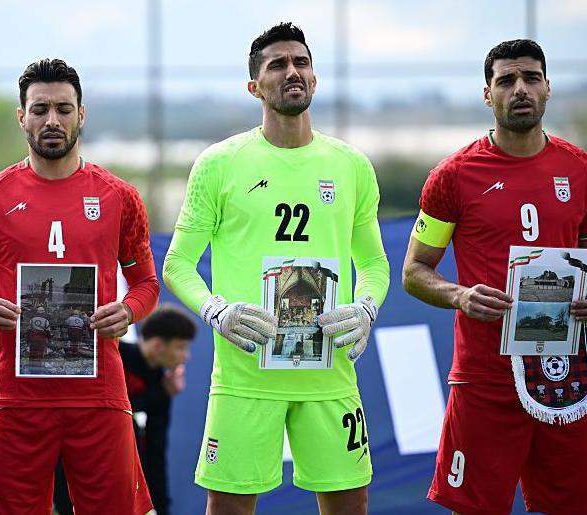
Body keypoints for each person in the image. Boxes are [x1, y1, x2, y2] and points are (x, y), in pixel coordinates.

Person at [162, 22, 390, 515]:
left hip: (329, 374)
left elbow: (373, 262)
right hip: (246, 376)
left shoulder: (351, 164)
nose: (293, 72)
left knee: (350, 504)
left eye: (302, 63)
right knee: (227, 508)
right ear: (254, 86)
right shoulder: (219, 164)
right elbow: (178, 264)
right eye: (278, 65)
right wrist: (218, 311)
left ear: (315, 77)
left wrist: (367, 308)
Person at [402, 39, 587, 514]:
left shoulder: (583, 171)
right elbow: (414, 272)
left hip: (564, 374)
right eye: (506, 81)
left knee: (579, 506)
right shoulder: (452, 177)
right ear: (487, 94)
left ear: (547, 88)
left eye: (531, 78)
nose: (520, 89)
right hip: (485, 379)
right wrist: (460, 296)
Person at [0, 58, 159, 515]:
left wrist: (127, 311)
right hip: (19, 395)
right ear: (20, 115)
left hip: (99, 393)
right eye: (40, 108)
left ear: (81, 114)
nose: (52, 120)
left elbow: (146, 284)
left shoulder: (118, 196)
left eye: (64, 108)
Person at [53, 305, 197, 515]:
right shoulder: (113, 354)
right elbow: (101, 408)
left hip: (112, 471)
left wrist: (162, 509)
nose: (186, 357)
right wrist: (158, 395)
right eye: (181, 347)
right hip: (71, 462)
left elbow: (155, 453)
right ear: (157, 345)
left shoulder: (159, 385)